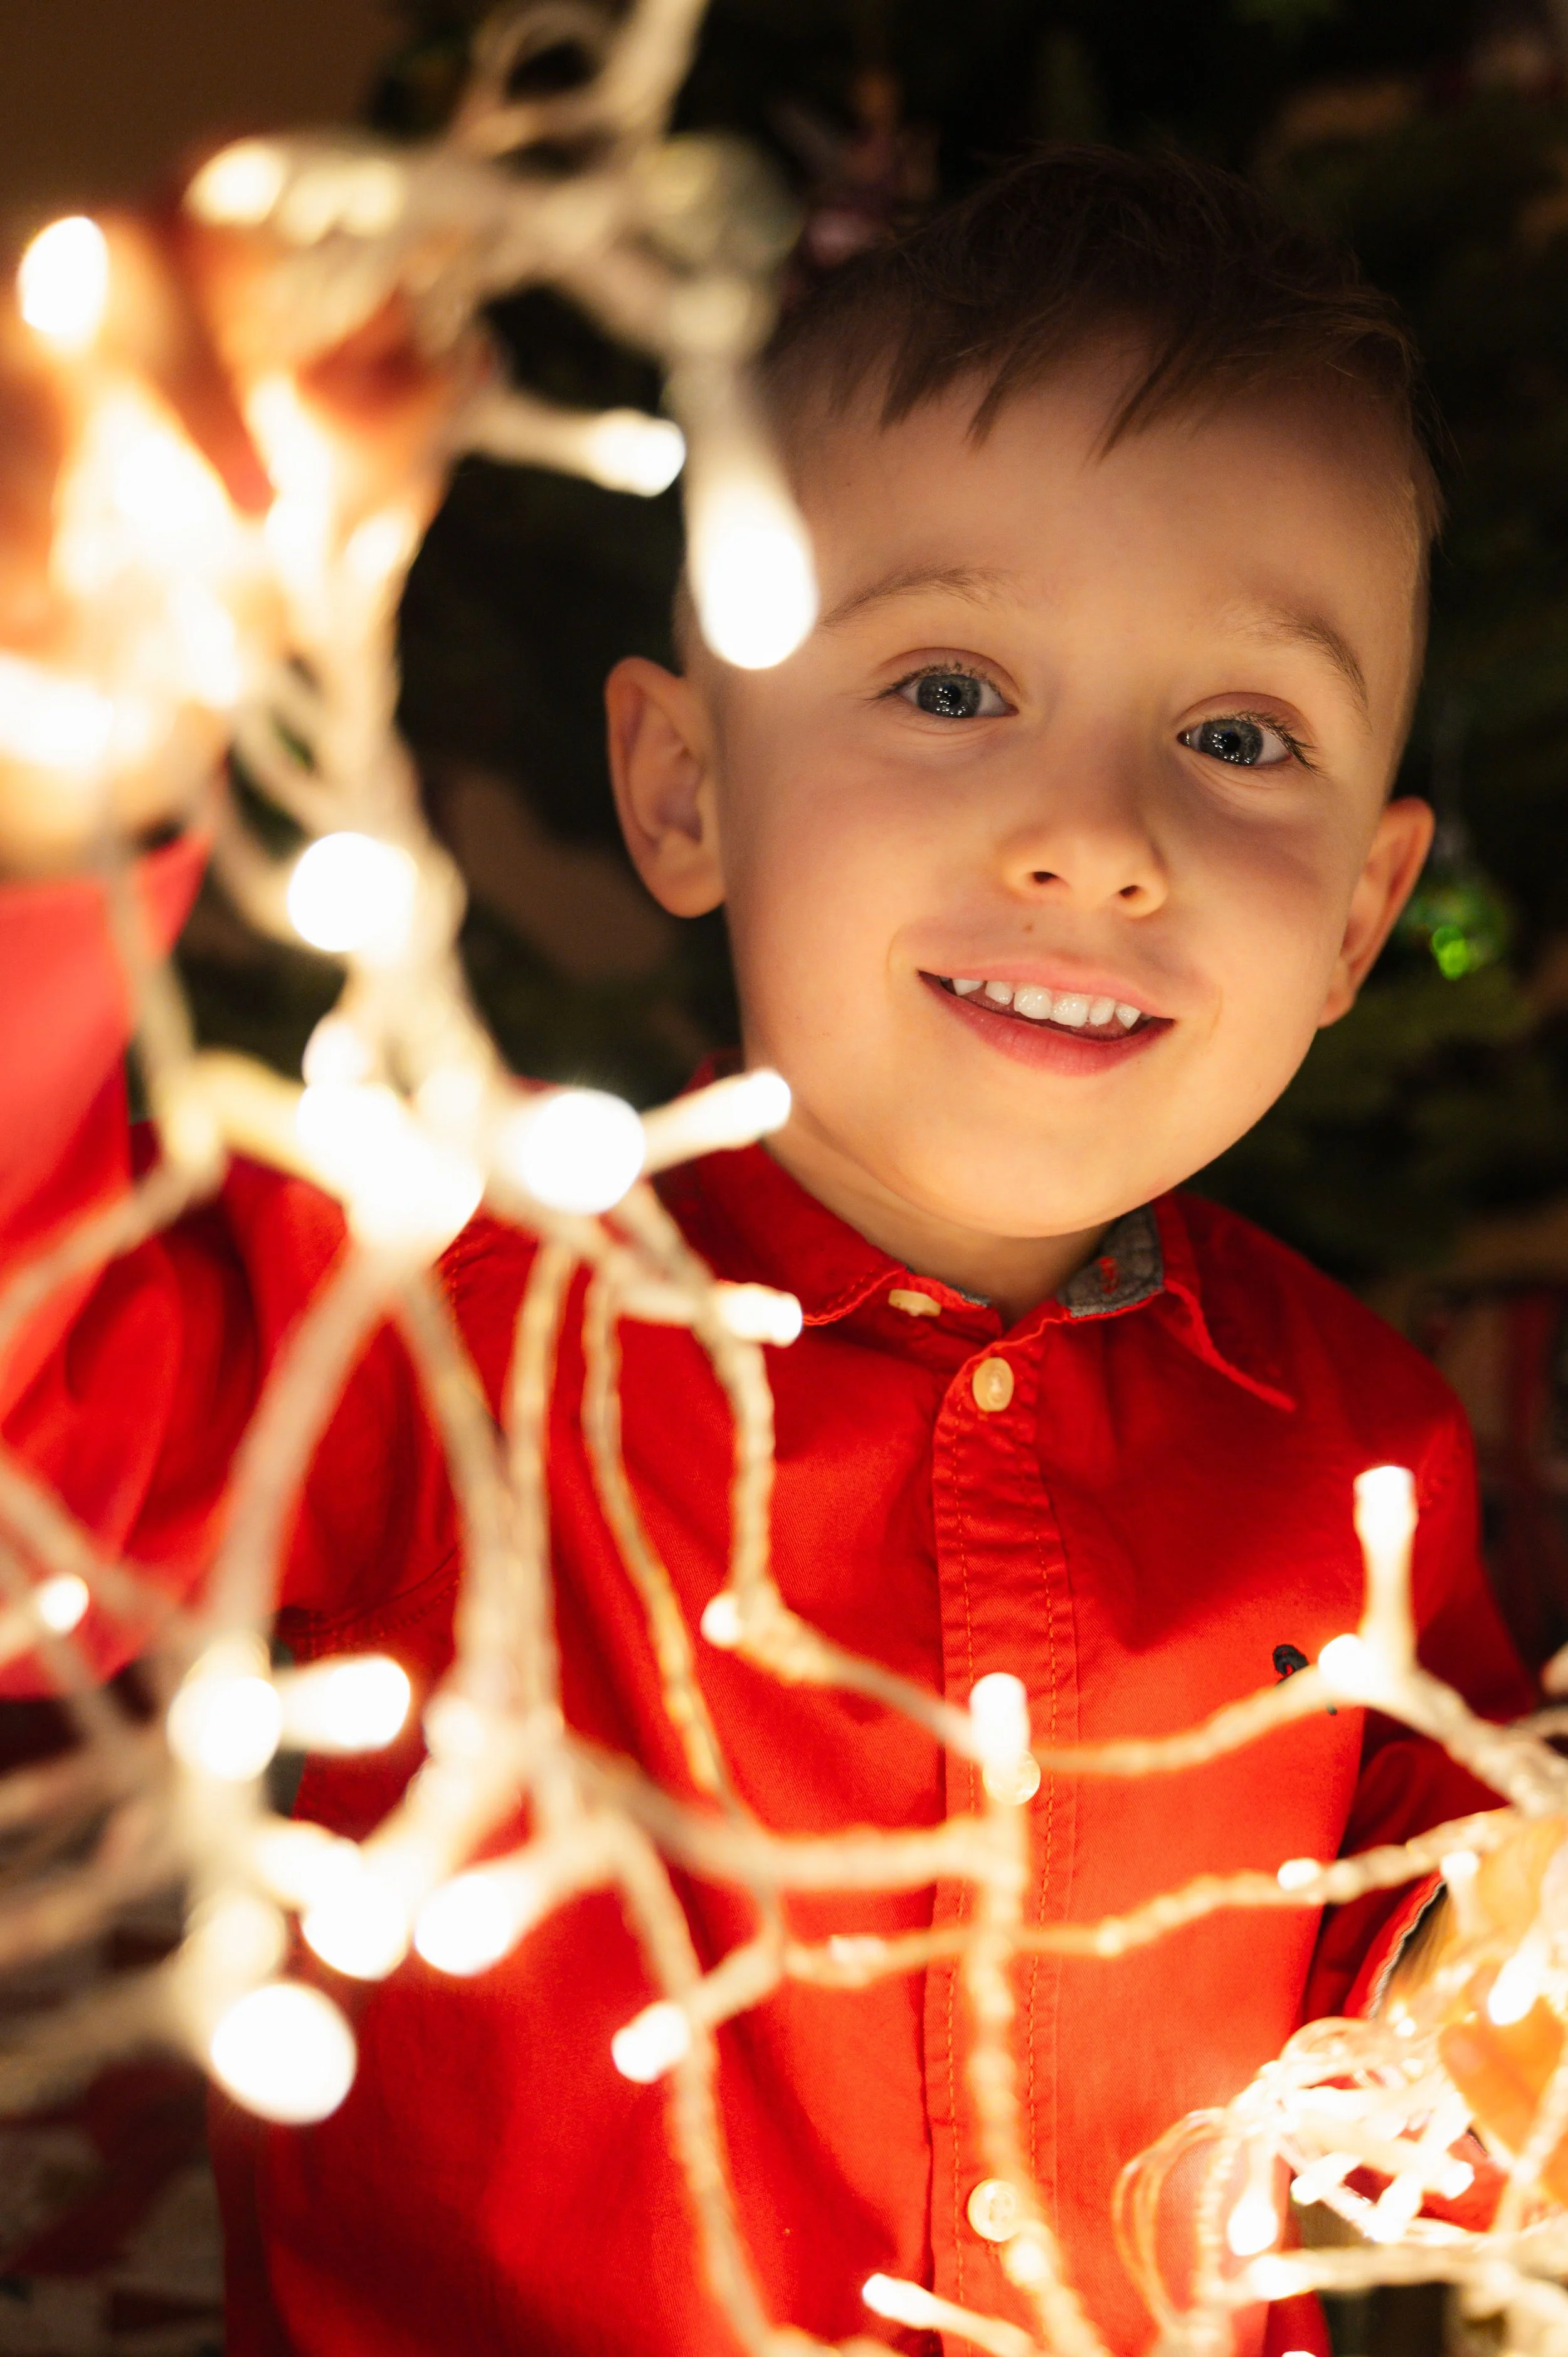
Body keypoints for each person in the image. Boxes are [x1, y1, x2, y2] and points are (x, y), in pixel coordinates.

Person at [0, 146, 1539, 2356]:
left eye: (1235, 736)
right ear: (685, 785)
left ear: (1361, 922)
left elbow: (1437, 2023)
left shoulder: (1357, 1440)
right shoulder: (447, 1324)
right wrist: (57, 796)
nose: (1097, 840)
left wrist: (1511, 1999)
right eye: (946, 684)